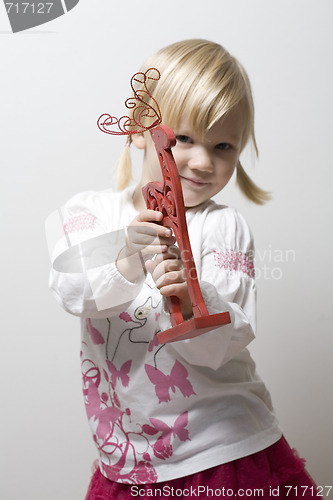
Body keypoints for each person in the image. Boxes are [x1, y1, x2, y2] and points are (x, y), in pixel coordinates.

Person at [49, 39, 317, 499]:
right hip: (131, 462)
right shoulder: (88, 214)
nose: (201, 161)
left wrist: (195, 298)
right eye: (184, 139)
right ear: (137, 130)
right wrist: (128, 259)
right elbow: (74, 292)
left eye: (223, 145)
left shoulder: (222, 227)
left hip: (223, 451)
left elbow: (219, 346)